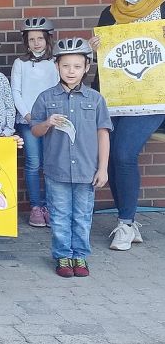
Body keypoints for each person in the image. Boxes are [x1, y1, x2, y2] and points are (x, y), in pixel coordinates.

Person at [90, 0, 165, 251]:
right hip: (117, 98)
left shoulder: (162, 9)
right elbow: (104, 59)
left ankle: (125, 221)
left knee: (123, 154)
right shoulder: (110, 13)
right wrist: (94, 46)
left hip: (151, 99)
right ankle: (128, 224)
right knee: (109, 158)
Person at [30, 39, 112, 278]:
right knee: (60, 214)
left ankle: (80, 255)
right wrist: (47, 123)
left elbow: (103, 134)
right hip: (58, 170)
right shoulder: (46, 98)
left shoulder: (95, 99)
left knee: (83, 215)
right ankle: (63, 255)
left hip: (88, 170)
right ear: (57, 66)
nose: (71, 71)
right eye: (66, 66)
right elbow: (35, 130)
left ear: (87, 67)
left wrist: (103, 168)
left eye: (77, 66)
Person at [11, 18, 59, 228]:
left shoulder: (55, 62)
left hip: (52, 120)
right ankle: (36, 207)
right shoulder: (20, 63)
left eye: (40, 38)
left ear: (48, 39)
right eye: (32, 39)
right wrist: (28, 115)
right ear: (26, 42)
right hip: (28, 119)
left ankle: (51, 206)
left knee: (51, 164)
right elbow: (16, 91)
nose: (36, 43)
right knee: (33, 163)